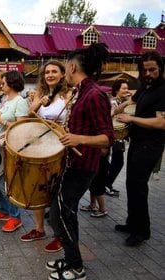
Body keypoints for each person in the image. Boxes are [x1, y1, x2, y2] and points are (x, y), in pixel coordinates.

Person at [46, 43, 113, 280]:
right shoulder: (81, 92)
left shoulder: (94, 94)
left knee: (61, 213)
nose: (64, 69)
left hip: (83, 167)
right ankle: (71, 258)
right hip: (72, 164)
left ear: (72, 66)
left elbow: (107, 137)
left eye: (65, 66)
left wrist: (77, 138)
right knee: (61, 212)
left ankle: (76, 268)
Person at [114, 50, 165, 247]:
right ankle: (132, 222)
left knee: (139, 187)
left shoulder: (162, 90)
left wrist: (131, 118)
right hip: (137, 142)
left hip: (150, 145)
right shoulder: (146, 87)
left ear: (160, 68)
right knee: (131, 184)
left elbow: (162, 123)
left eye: (152, 70)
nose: (148, 74)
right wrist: (119, 108)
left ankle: (142, 231)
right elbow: (133, 100)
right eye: (144, 70)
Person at [21, 60, 72, 254]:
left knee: (55, 189)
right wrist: (37, 104)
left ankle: (60, 235)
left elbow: (67, 119)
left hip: (59, 145)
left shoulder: (68, 94)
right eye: (47, 72)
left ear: (62, 74)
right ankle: (39, 229)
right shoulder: (41, 94)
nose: (50, 75)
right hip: (40, 144)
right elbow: (29, 114)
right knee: (38, 186)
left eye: (54, 71)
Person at [0, 70, 29, 232]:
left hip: (11, 147)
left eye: (3, 83)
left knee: (8, 182)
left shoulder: (20, 101)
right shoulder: (5, 100)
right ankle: (4, 210)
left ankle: (15, 217)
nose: (1, 86)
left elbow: (22, 127)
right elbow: (0, 121)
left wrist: (1, 120)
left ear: (11, 84)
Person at [105, 79, 130, 196]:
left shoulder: (122, 101)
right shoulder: (113, 102)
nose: (126, 90)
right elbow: (108, 116)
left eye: (127, 88)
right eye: (124, 88)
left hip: (119, 136)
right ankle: (106, 184)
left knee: (114, 162)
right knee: (118, 162)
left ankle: (107, 184)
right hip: (113, 135)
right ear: (117, 90)